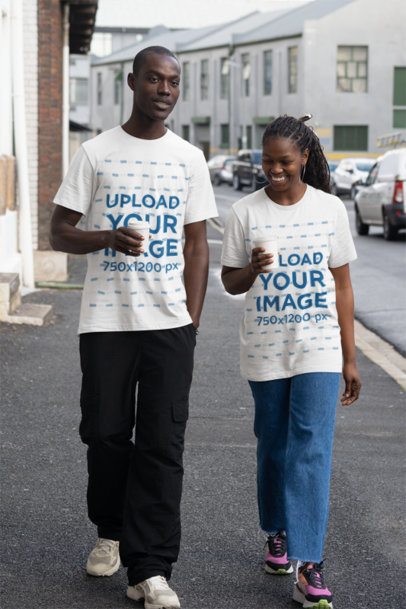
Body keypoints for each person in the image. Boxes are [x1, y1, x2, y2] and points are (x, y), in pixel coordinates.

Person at [50, 46, 217, 609]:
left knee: (163, 444)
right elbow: (59, 233)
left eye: (173, 81)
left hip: (169, 323)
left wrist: (191, 322)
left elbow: (198, 244)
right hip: (106, 322)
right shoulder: (95, 152)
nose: (165, 89)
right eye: (154, 78)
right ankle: (110, 531)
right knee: (105, 434)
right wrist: (106, 236)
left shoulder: (190, 158)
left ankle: (152, 569)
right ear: (132, 82)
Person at [221, 115, 361, 609]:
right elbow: (229, 283)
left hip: (318, 347)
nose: (275, 170)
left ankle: (310, 563)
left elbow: (343, 287)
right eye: (268, 161)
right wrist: (251, 270)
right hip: (265, 349)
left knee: (312, 450)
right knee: (274, 447)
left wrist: (350, 356)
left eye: (285, 162)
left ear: (303, 157)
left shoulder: (329, 209)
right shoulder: (244, 212)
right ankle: (277, 531)